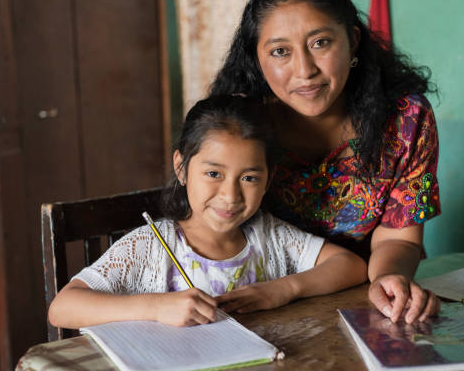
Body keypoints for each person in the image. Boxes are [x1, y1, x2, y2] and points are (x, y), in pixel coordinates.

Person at [210, 0, 441, 324]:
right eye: (280, 52)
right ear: (257, 59)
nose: (304, 70)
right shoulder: (237, 125)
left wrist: (387, 280)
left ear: (351, 40)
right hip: (259, 304)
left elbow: (401, 237)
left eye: (320, 43)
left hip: (365, 302)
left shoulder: (408, 120)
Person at [48, 94, 366, 329]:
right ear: (182, 168)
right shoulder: (151, 247)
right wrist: (157, 307)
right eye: (213, 174)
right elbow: (62, 308)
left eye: (250, 178)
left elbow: (351, 265)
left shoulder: (268, 235)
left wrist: (282, 289)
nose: (230, 195)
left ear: (269, 179)